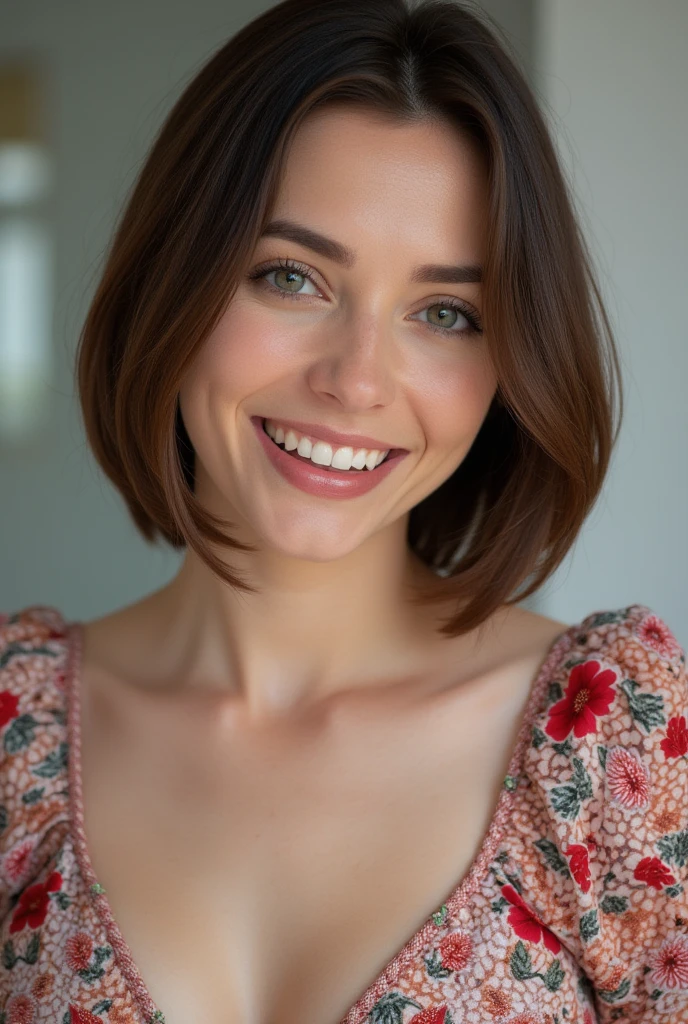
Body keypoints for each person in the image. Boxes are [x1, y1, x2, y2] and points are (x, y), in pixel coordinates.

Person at [1, 0, 686, 1021]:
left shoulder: (612, 745)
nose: (357, 380)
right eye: (292, 276)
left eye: (445, 313)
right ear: (173, 282)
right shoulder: (17, 742)